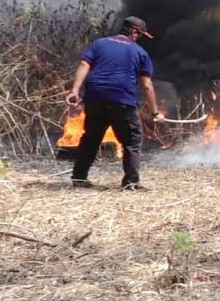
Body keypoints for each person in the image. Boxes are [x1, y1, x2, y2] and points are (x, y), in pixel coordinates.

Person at [65, 16, 163, 190]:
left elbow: (84, 65)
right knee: (132, 141)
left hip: (94, 97)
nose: (138, 38)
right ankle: (131, 183)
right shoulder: (140, 52)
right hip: (121, 99)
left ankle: (79, 178)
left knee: (91, 138)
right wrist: (155, 112)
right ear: (134, 32)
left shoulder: (99, 44)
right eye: (140, 34)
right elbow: (147, 85)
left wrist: (74, 90)